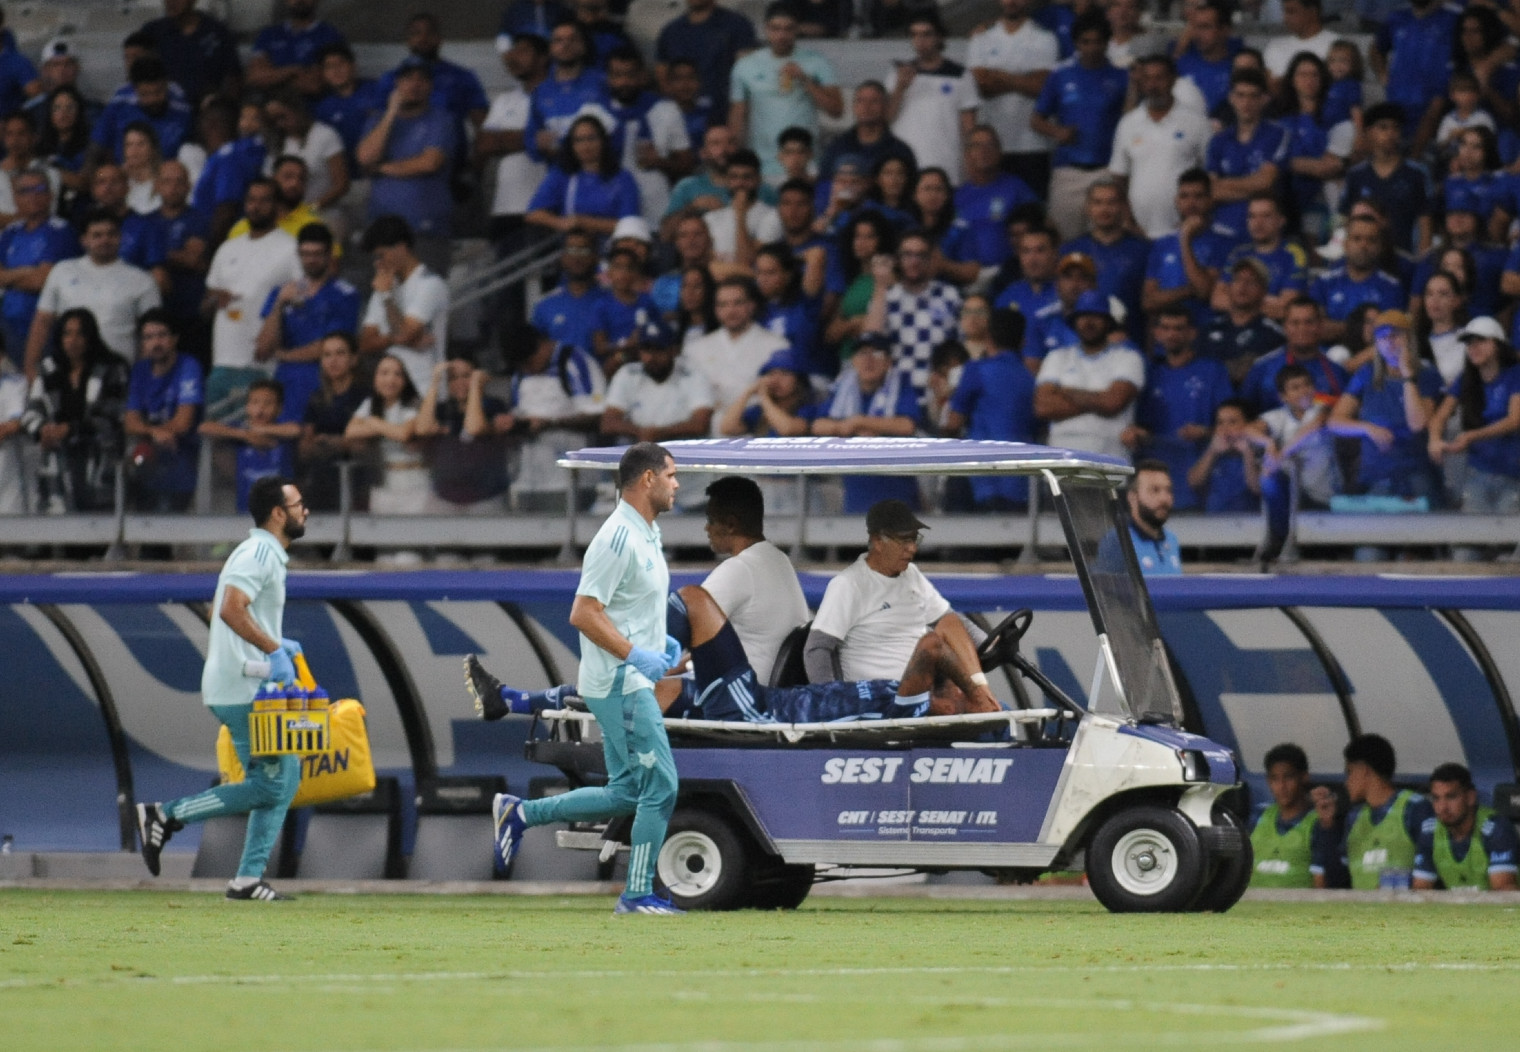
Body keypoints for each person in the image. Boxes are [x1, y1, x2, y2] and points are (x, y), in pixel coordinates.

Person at [489, 442, 684, 915]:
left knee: (626, 792)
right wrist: (638, 656)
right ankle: (637, 893)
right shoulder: (617, 537)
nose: (678, 485)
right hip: (621, 683)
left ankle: (521, 813)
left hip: (628, 679)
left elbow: (626, 609)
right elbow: (583, 612)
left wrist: (661, 647)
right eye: (672, 475)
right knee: (662, 788)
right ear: (647, 480)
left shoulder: (646, 533)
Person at [469, 575, 996, 729]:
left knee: (696, 601)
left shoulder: (910, 712)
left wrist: (976, 692)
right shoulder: (909, 699)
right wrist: (973, 693)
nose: (940, 696)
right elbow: (932, 653)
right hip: (760, 703)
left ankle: (630, 646)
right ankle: (514, 701)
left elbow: (932, 644)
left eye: (944, 696)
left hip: (760, 716)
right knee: (637, 691)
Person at [134, 474, 308, 902]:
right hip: (243, 688)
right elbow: (230, 609)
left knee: (285, 777)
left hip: (245, 683)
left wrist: (275, 641)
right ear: (277, 513)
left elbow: (221, 608)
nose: (306, 511)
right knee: (271, 784)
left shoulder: (260, 552)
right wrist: (273, 649)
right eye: (298, 504)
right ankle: (167, 814)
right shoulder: (260, 552)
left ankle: (248, 880)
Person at [802, 499, 1000, 709]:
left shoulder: (911, 575)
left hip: (925, 692)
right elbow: (816, 649)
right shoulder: (849, 585)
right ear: (878, 541)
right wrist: (835, 704)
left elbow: (948, 620)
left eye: (915, 540)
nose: (912, 549)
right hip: (881, 702)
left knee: (999, 711)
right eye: (904, 541)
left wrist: (990, 644)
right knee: (933, 646)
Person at [690, 475, 808, 681]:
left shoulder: (737, 570)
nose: (706, 528)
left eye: (710, 520)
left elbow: (685, 629)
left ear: (730, 525)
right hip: (774, 689)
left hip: (745, 696)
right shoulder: (780, 559)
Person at [23, 209, 160, 380]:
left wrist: (142, 379)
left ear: (121, 237)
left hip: (118, 376)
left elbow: (153, 334)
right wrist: (30, 368)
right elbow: (42, 322)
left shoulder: (142, 280)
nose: (105, 240)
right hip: (66, 375)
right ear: (84, 240)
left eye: (111, 234)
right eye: (97, 235)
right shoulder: (62, 271)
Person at [1328, 310, 1443, 511]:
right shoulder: (1367, 374)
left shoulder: (1427, 374)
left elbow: (1417, 424)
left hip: (1416, 473)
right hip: (1376, 475)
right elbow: (1335, 422)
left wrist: (1408, 377)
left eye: (1395, 336)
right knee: (1372, 540)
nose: (1389, 342)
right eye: (1382, 337)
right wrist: (1367, 428)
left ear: (1409, 339)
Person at [202, 180, 301, 413]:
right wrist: (215, 299)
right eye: (251, 200)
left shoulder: (290, 248)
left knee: (254, 436)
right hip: (222, 360)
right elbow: (205, 305)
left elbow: (300, 301)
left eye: (264, 200)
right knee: (219, 435)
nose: (256, 206)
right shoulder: (228, 248)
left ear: (277, 205)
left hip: (261, 364)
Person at [1031, 10, 1128, 241]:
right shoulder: (1060, 76)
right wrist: (1058, 132)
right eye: (1085, 42)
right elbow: (1036, 119)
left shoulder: (1122, 77)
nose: (1092, 48)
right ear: (1076, 43)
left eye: (1097, 42)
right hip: (1068, 171)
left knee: (1107, 237)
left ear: (1107, 43)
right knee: (1064, 239)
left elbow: (1131, 121)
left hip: (1107, 170)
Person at [21, 309, 130, 513]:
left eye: (80, 333)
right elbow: (31, 411)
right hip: (57, 472)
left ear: (90, 336)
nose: (73, 340)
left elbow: (115, 414)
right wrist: (42, 431)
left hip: (99, 469)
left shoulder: (112, 367)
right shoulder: (48, 369)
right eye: (67, 333)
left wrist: (72, 429)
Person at [1125, 305, 1232, 512]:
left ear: (1192, 333)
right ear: (1156, 333)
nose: (1172, 334)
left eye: (1179, 328)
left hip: (1201, 474)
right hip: (1157, 475)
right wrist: (1138, 432)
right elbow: (1142, 423)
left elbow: (1232, 422)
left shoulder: (1212, 371)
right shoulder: (1149, 373)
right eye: (1165, 328)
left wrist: (1206, 432)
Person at [357, 57, 456, 277]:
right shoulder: (379, 120)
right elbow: (365, 158)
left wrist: (382, 168)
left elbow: (429, 162)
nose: (415, 84)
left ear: (430, 86)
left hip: (425, 229)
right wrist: (391, 113)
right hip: (382, 230)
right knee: (384, 299)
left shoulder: (440, 119)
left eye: (422, 78)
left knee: (425, 298)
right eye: (408, 78)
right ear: (397, 84)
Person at [254, 222, 358, 422]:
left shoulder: (345, 294)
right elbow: (263, 350)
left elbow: (330, 346)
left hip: (323, 384)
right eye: (305, 254)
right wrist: (278, 305)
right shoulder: (282, 292)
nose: (311, 260)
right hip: (285, 385)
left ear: (329, 255)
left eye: (317, 254)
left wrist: (284, 355)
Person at [808, 335, 920, 512]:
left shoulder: (901, 386)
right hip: (856, 486)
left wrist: (859, 421)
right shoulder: (843, 388)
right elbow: (818, 425)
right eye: (862, 353)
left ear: (888, 361)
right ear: (853, 360)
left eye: (876, 353)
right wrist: (844, 427)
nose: (868, 360)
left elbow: (906, 425)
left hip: (896, 486)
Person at [729, 4, 840, 179]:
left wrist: (805, 80)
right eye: (775, 28)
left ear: (797, 30)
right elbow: (738, 114)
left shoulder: (817, 61)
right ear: (766, 29)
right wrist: (736, 158)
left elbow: (836, 110)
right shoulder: (745, 66)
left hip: (805, 164)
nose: (781, 35)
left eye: (788, 29)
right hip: (761, 163)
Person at [944, 307, 1038, 509]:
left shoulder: (977, 370)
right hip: (1021, 483)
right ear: (1023, 341)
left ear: (988, 338)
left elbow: (953, 422)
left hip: (983, 479)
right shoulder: (1030, 378)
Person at [1033, 291, 1143, 460]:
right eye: (1083, 316)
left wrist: (1065, 391)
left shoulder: (1128, 358)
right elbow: (1043, 407)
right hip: (1062, 465)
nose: (1089, 322)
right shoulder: (1057, 357)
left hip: (1110, 463)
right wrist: (1099, 399)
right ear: (1075, 321)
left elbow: (1112, 403)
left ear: (1108, 321)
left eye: (1096, 316)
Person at [1427, 316, 1520, 515]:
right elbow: (1439, 417)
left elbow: (1515, 420)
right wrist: (1434, 439)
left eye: (1481, 341)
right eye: (1469, 343)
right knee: (1466, 542)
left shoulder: (1515, 374)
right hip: (1477, 474)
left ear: (1498, 345)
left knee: (1507, 541)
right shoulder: (1466, 379)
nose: (1473, 347)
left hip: (1513, 476)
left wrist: (1472, 436)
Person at [967, 0, 1059, 198]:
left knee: (1032, 211)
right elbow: (981, 85)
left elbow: (1042, 87)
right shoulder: (982, 37)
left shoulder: (1044, 37)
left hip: (1033, 144)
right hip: (992, 144)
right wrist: (1024, 79)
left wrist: (1000, 76)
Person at [1323, 733, 1432, 890]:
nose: (1346, 782)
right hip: (1358, 912)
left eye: (1350, 772)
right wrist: (1328, 828)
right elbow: (1338, 878)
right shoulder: (1354, 817)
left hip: (1402, 913)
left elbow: (1429, 871)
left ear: (1364, 770)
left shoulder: (1414, 808)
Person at [122, 308, 203, 512]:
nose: (155, 343)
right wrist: (154, 432)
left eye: (162, 335)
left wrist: (154, 431)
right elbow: (131, 422)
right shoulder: (140, 370)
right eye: (149, 337)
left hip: (184, 459)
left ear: (174, 338)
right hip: (148, 460)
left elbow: (183, 422)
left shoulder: (188, 365)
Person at [357, 215, 449, 394]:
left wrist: (386, 297)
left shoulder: (430, 284)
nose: (378, 263)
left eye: (381, 255)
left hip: (425, 388)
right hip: (391, 390)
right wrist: (393, 340)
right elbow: (365, 343)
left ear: (401, 248)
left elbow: (405, 333)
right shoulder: (384, 285)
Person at [683, 275, 788, 430]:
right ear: (716, 309)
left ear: (751, 305)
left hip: (755, 430)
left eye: (738, 303)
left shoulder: (776, 346)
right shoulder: (696, 349)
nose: (731, 310)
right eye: (723, 305)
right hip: (707, 432)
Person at [864, 230, 962, 394]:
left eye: (921, 255)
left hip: (937, 393)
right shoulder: (886, 297)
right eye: (907, 254)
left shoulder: (948, 295)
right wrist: (880, 286)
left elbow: (961, 344)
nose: (914, 261)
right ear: (898, 259)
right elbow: (870, 341)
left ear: (930, 259)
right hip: (897, 394)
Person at [413, 356, 513, 514]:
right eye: (453, 378)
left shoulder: (493, 405)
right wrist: (435, 382)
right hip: (444, 496)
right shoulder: (442, 409)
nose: (460, 382)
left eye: (466, 376)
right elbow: (422, 429)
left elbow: (474, 427)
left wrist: (475, 387)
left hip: (486, 497)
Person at [886, 11, 978, 184]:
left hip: (946, 164)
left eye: (926, 34)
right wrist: (900, 87)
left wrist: (971, 163)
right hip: (905, 166)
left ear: (940, 37)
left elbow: (969, 128)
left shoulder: (961, 75)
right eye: (915, 35)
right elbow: (885, 119)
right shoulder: (898, 74)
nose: (920, 41)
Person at [0, 169, 79, 369]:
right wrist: (28, 271)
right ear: (16, 198)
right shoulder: (11, 232)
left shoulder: (60, 231)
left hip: (45, 327)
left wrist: (9, 276)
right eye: (25, 191)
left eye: (39, 189)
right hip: (8, 325)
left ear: (50, 195)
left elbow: (43, 281)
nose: (33, 195)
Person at [601, 317, 715, 446]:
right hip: (638, 448)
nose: (651, 357)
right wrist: (640, 432)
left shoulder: (692, 374)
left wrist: (659, 433)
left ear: (673, 350)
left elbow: (700, 424)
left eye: (658, 349)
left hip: (681, 448)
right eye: (646, 349)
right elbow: (608, 423)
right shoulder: (628, 373)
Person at [1060, 180, 1150, 343]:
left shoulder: (1144, 250)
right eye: (1098, 202)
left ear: (1124, 207)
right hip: (1079, 341)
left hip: (1129, 339)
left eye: (1111, 202)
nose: (1104, 209)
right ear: (1088, 208)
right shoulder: (1070, 250)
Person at [525, 113, 641, 239]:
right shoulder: (561, 174)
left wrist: (584, 222)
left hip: (612, 250)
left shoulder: (623, 178)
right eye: (579, 140)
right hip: (572, 250)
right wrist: (560, 223)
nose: (586, 145)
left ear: (603, 141)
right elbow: (533, 214)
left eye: (591, 138)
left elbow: (630, 224)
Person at [1340, 102, 1432, 257]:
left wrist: (1422, 261)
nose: (1390, 133)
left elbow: (1425, 222)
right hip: (1364, 256)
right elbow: (1344, 220)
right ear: (1369, 133)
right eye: (1383, 127)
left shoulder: (1417, 174)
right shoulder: (1355, 175)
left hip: (1403, 257)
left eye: (1395, 128)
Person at [1412, 762, 1519, 891]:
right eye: (1436, 798)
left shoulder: (1496, 829)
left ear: (1470, 797)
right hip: (1455, 910)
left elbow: (1503, 890)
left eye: (1451, 797)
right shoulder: (1430, 831)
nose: (1442, 807)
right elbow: (1420, 889)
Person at [198, 377, 300, 512]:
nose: (260, 408)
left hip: (282, 513)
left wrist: (259, 430)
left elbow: (296, 430)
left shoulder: (282, 432)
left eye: (268, 403)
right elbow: (204, 428)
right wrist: (246, 435)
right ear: (247, 406)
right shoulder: (240, 429)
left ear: (279, 408)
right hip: (246, 512)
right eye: (255, 402)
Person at [1371, 0, 1459, 151]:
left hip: (1435, 108)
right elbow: (1376, 49)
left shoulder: (1453, 19)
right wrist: (1383, 75)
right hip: (1397, 106)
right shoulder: (1397, 17)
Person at [1249, 742, 1339, 889]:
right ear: (1268, 781)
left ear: (1304, 777)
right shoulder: (1259, 816)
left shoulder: (1318, 822)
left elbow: (1321, 883)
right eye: (1275, 779)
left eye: (1288, 777)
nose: (1282, 786)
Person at [343, 353, 424, 516]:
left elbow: (404, 434)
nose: (390, 380)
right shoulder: (370, 404)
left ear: (405, 379)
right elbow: (350, 431)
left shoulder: (413, 403)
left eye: (397, 374)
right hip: (382, 481)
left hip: (414, 481)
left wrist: (374, 423)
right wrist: (388, 428)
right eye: (384, 373)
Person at [656, 0, 757, 128]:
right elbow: (663, 77)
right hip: (682, 121)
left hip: (723, 118)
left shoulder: (737, 25)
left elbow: (747, 76)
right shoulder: (671, 31)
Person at [953, 125, 1040, 275]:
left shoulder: (1016, 187)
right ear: (967, 154)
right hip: (966, 275)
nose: (984, 150)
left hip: (1007, 272)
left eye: (990, 145)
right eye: (977, 145)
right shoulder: (957, 196)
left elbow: (1042, 226)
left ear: (1000, 152)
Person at [295, 330, 364, 511]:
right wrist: (314, 446)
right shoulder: (316, 398)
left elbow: (367, 445)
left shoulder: (364, 396)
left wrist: (336, 443)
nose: (333, 361)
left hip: (359, 480)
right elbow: (305, 447)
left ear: (354, 359)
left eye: (340, 353)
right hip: (321, 480)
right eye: (327, 355)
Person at [1309, 216, 1405, 343]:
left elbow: (1390, 338)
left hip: (1372, 359)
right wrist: (1362, 328)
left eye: (1371, 240)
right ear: (1346, 244)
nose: (1363, 245)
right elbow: (1316, 329)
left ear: (1380, 247)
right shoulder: (1324, 283)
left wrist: (1339, 328)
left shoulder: (1391, 288)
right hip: (1327, 357)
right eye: (1357, 238)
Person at [1200, 259, 1287, 389]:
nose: (1242, 286)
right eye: (1237, 280)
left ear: (1263, 291)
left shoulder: (1273, 334)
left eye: (1251, 282)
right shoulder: (1208, 329)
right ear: (1229, 287)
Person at [92, 57, 194, 166]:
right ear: (135, 89)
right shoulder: (120, 103)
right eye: (145, 94)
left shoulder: (182, 108)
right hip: (125, 173)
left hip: (166, 176)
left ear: (166, 84)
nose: (153, 99)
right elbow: (98, 143)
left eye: (158, 92)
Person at [139, 0, 242, 107]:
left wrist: (226, 107)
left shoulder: (217, 33)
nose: (171, 2)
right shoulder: (152, 32)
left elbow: (233, 78)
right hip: (163, 111)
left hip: (206, 110)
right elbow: (137, 74)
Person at [530, 229, 607, 356]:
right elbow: (535, 355)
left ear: (595, 257)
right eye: (571, 250)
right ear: (563, 257)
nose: (577, 257)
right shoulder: (545, 305)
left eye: (583, 250)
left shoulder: (609, 300)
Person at [246, 0, 347, 95]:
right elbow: (254, 77)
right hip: (268, 99)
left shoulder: (329, 35)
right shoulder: (269, 34)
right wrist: (292, 71)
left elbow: (313, 85)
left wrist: (272, 77)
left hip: (309, 104)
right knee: (251, 111)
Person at [702, 149, 780, 267]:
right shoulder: (711, 217)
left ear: (758, 179)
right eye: (734, 177)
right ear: (727, 180)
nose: (740, 183)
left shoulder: (772, 216)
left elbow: (748, 262)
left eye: (747, 177)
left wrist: (740, 216)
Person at [1187, 399, 1263, 513]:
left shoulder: (1260, 449)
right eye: (1220, 422)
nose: (1225, 428)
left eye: (1232, 422)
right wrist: (1212, 451)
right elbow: (1194, 482)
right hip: (1212, 523)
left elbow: (1257, 488)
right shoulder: (1212, 450)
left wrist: (1248, 453)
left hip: (1249, 523)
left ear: (1249, 425)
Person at [1126, 459, 1182, 576]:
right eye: (1154, 490)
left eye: (1168, 490)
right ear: (1132, 497)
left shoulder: (1172, 540)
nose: (1164, 498)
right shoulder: (1119, 542)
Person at [1263, 0, 1337, 80]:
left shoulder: (1336, 45)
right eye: (1284, 12)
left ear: (1312, 12)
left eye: (1291, 12)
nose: (1285, 18)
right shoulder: (1274, 47)